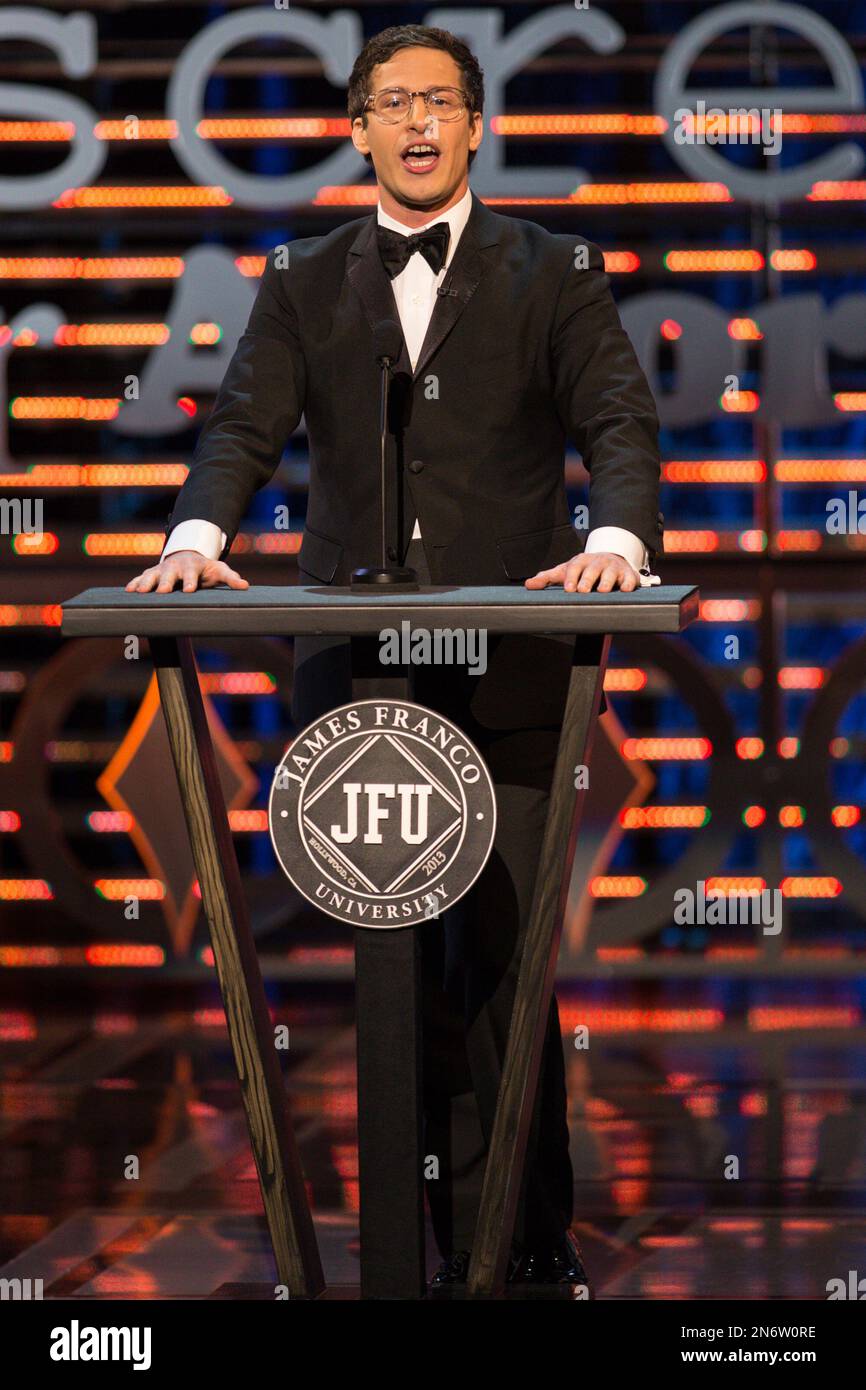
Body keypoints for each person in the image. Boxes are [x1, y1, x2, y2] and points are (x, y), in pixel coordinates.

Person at [126, 23, 662, 1289]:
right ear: (358, 128)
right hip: (357, 672)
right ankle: (408, 1253)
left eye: (440, 101)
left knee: (501, 969)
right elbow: (243, 422)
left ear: (475, 124)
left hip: (511, 668)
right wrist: (196, 537)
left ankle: (516, 1244)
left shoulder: (553, 267)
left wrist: (617, 541)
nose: (418, 123)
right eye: (393, 103)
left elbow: (616, 417)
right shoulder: (304, 276)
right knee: (393, 970)